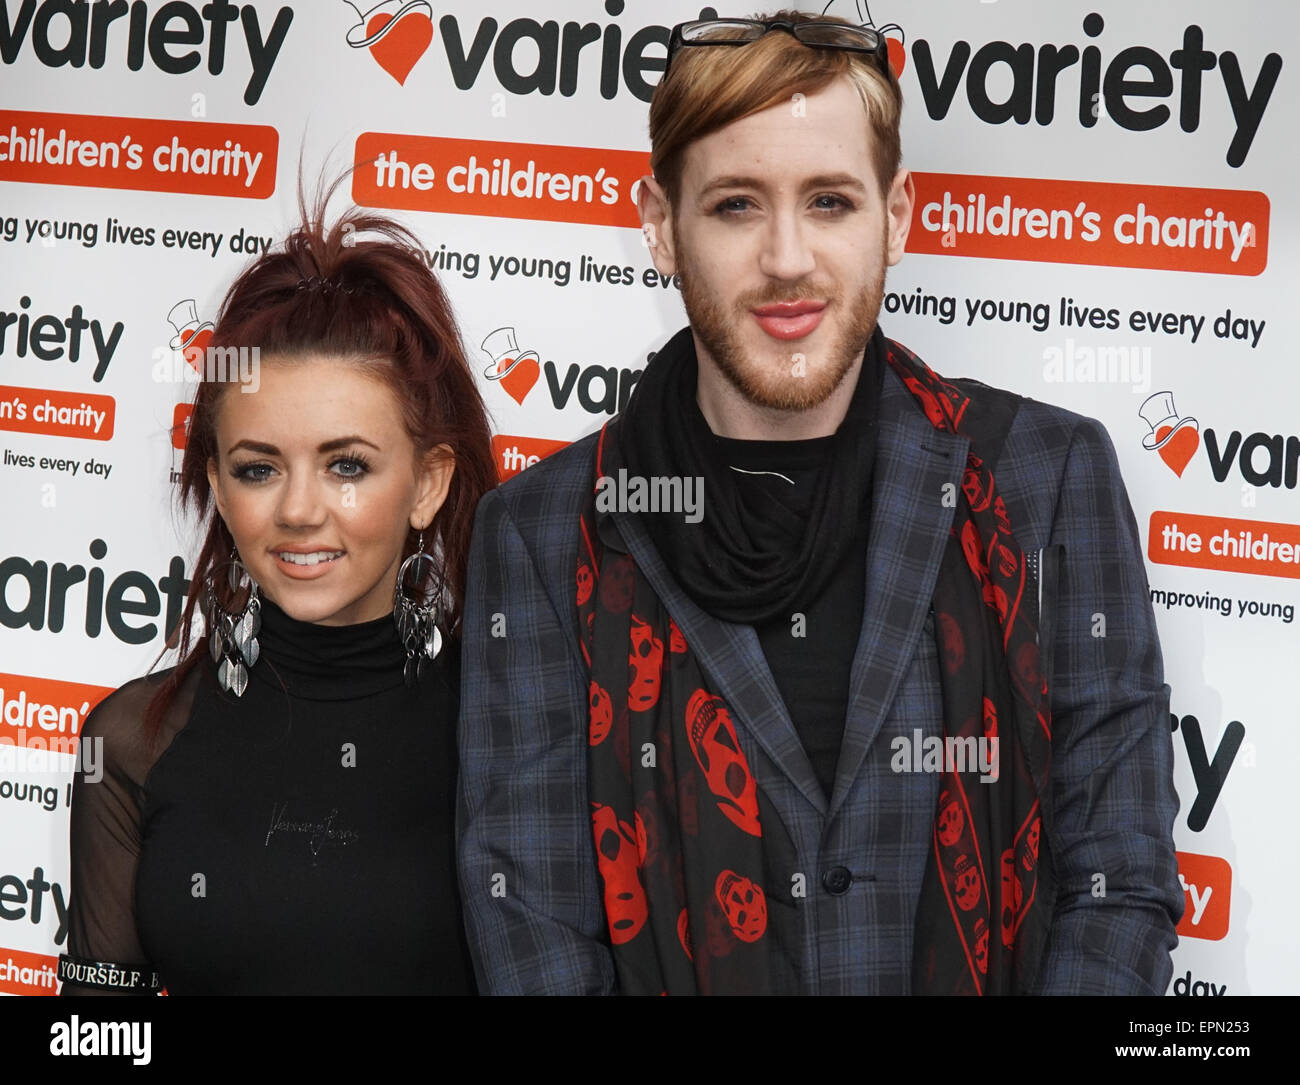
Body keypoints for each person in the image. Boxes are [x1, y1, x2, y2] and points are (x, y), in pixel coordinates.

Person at [456, 10, 1183, 995]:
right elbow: (531, 927)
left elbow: (1118, 885)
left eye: (830, 201)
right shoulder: (544, 530)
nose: (788, 258)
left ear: (897, 215)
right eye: (736, 206)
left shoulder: (1045, 478)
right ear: (661, 225)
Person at [59, 172, 496, 995]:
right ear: (220, 489)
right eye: (259, 467)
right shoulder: (130, 744)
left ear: (429, 483)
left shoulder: (513, 734)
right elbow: (93, 1032)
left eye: (347, 465)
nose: (299, 509)